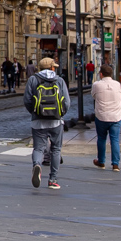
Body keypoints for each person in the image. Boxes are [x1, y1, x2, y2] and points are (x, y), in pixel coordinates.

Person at [24, 56, 70, 190]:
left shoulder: (33, 79)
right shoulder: (59, 80)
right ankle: (53, 180)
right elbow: (66, 102)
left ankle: (37, 165)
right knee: (56, 149)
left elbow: (27, 100)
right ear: (51, 67)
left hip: (38, 121)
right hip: (56, 122)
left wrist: (34, 112)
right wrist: (60, 114)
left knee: (38, 148)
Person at [92, 63, 121, 171]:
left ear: (101, 74)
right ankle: (115, 164)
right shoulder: (117, 84)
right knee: (115, 140)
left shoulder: (97, 84)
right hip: (116, 116)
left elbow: (94, 96)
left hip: (102, 115)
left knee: (101, 138)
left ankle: (101, 162)